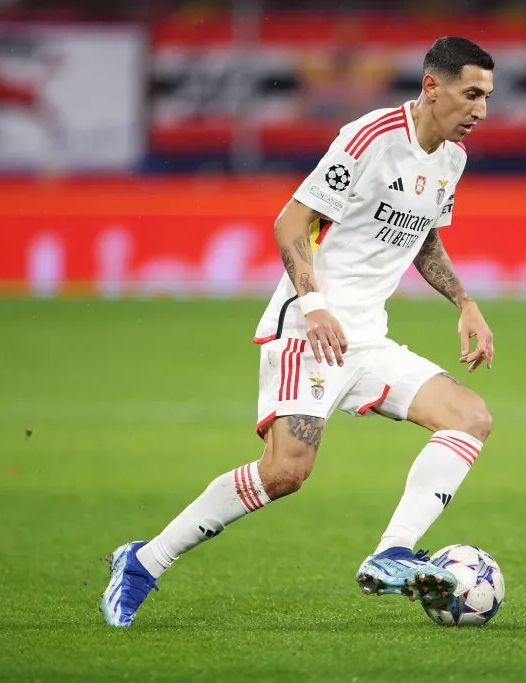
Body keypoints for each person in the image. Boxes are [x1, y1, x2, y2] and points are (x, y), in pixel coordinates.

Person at [102, 36, 496, 627]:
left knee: (470, 417)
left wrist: (465, 301)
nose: (480, 110)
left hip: (366, 338)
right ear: (431, 86)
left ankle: (390, 553)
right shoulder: (370, 138)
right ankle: (144, 561)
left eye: (487, 97)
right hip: (310, 332)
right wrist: (313, 305)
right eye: (471, 94)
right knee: (286, 472)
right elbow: (291, 222)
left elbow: (425, 236)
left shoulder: (451, 161)